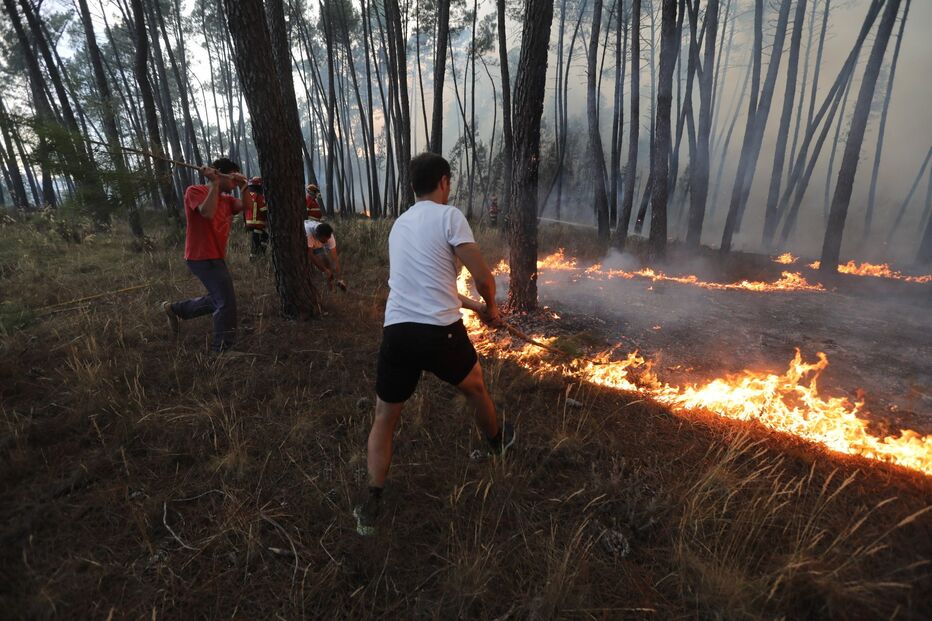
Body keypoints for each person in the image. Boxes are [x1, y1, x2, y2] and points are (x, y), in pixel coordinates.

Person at [353, 152, 514, 536]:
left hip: (398, 332)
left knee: (384, 417)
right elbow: (483, 276)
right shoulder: (449, 216)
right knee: (476, 387)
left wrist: (474, 306)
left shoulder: (399, 226)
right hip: (439, 331)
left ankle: (372, 502)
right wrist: (491, 305)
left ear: (413, 186)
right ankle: (497, 444)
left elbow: (426, 283)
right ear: (444, 181)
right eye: (450, 182)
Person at [161, 158, 251, 353]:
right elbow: (207, 213)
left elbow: (247, 206)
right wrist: (215, 183)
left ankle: (175, 309)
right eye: (233, 179)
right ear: (219, 173)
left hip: (215, 256)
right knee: (226, 302)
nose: (234, 184)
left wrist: (244, 186)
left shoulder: (227, 200)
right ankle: (222, 352)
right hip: (201, 256)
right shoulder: (195, 191)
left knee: (219, 298)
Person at [304, 220, 345, 291]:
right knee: (322, 267)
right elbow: (310, 254)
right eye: (324, 240)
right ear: (317, 235)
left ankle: (331, 290)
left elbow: (335, 257)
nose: (326, 242)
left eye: (327, 240)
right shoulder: (308, 233)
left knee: (327, 263)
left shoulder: (329, 235)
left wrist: (340, 278)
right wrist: (324, 270)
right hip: (305, 243)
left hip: (317, 244)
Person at [244, 176, 269, 256]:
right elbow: (264, 209)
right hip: (257, 223)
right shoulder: (259, 196)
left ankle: (260, 253)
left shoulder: (247, 195)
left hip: (249, 222)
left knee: (264, 236)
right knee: (257, 241)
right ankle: (258, 255)